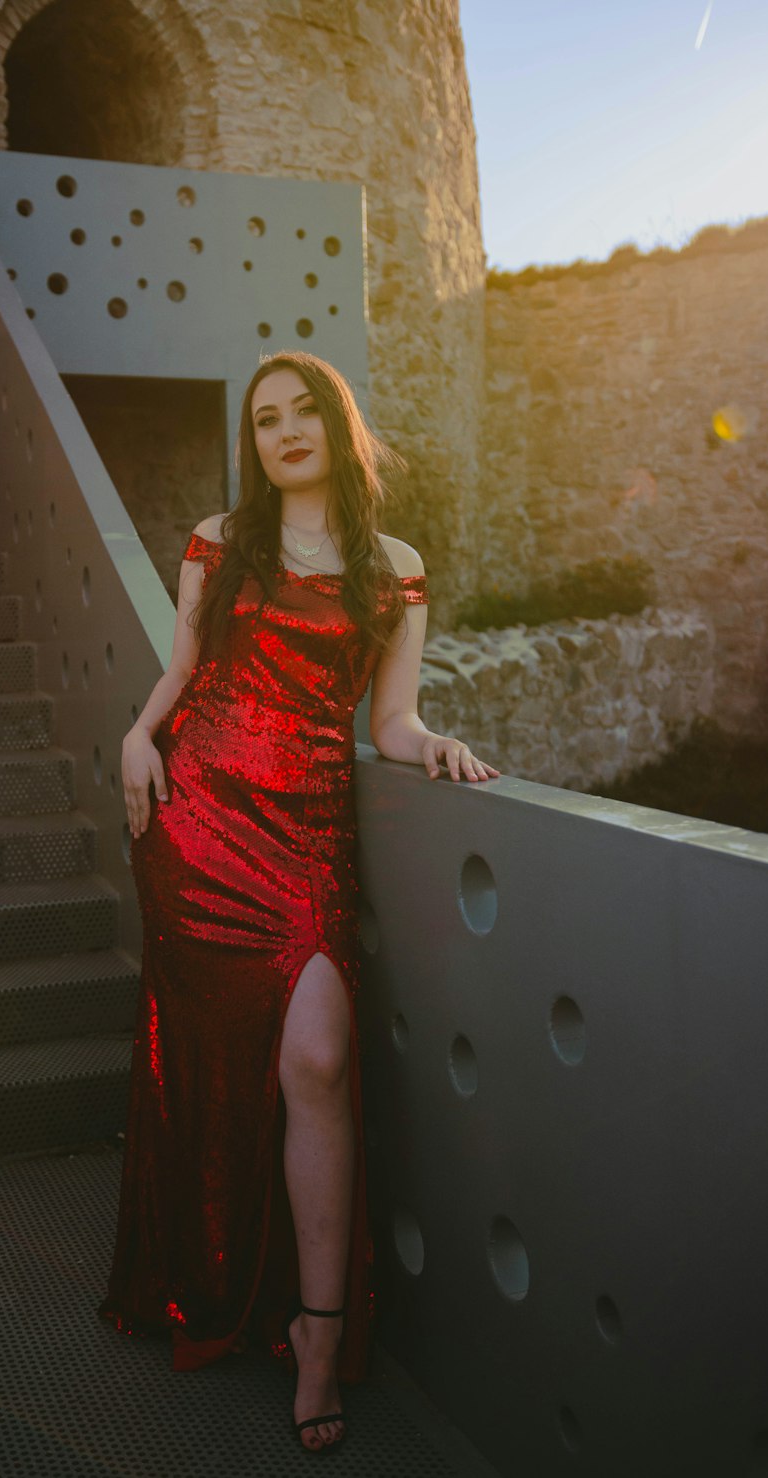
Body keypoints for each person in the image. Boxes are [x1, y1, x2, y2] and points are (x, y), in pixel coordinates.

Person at [99, 351, 500, 1453]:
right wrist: (137, 735)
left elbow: (390, 722)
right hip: (194, 822)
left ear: (338, 425)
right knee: (211, 1060)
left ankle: (319, 1332)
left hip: (307, 838)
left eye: (301, 411)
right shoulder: (220, 541)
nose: (281, 431)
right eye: (263, 418)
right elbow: (179, 673)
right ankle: (210, 1271)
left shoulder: (394, 570)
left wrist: (435, 744)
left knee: (316, 1057)